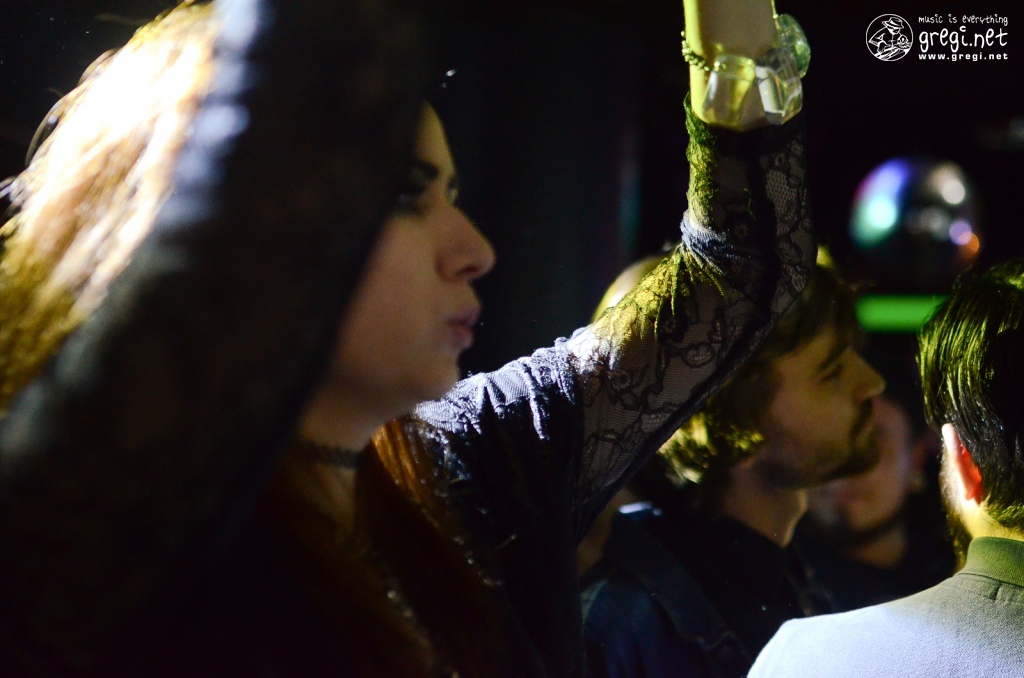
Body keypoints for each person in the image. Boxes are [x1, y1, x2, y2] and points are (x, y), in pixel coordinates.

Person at [0, 0, 814, 675]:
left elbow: (740, 272)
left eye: (450, 195)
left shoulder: (474, 461)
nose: (474, 251)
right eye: (404, 196)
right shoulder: (114, 537)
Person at [582, 258, 885, 678]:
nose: (872, 383)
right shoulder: (626, 628)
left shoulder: (791, 584)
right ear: (733, 424)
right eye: (832, 371)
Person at [749, 260, 1024, 677]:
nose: (848, 466)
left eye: (871, 440)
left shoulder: (807, 656)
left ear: (941, 456)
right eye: (833, 441)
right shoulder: (777, 596)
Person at [798, 354, 954, 611]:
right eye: (827, 443)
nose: (843, 466)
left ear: (916, 459)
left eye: (871, 442)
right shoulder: (771, 585)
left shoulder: (958, 583)